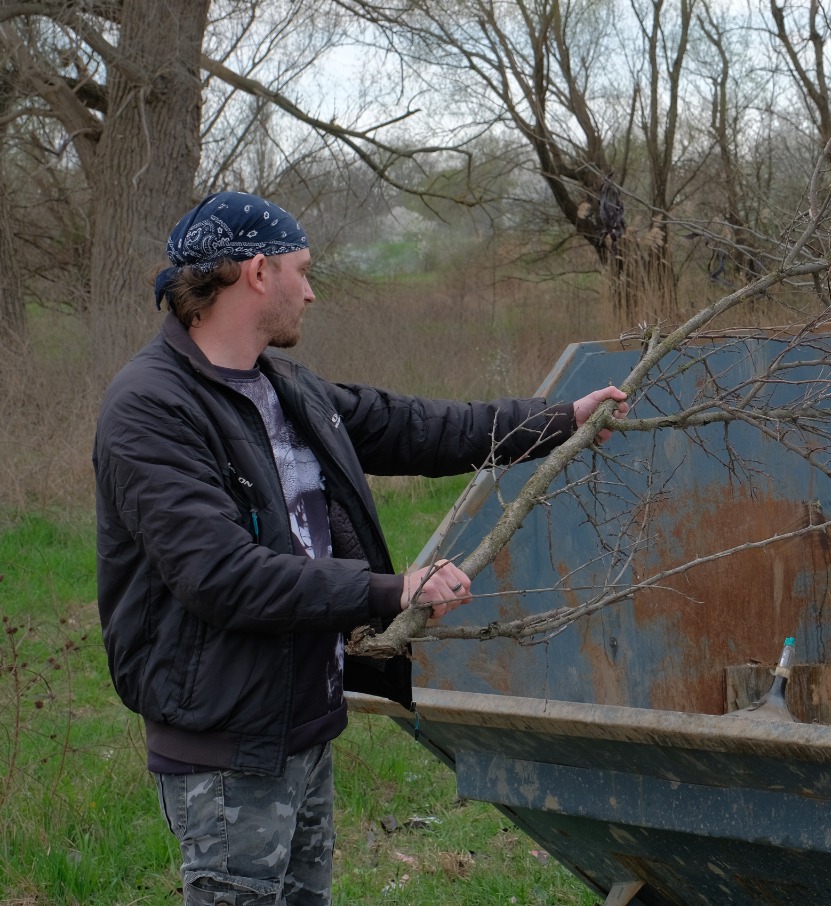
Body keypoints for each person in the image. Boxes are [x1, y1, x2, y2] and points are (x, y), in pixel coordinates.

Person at [93, 190, 628, 906]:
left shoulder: (284, 388)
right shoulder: (152, 407)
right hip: (227, 744)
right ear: (258, 272)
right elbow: (221, 576)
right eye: (303, 271)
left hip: (304, 719)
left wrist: (559, 420)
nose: (311, 292)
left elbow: (418, 427)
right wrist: (391, 590)